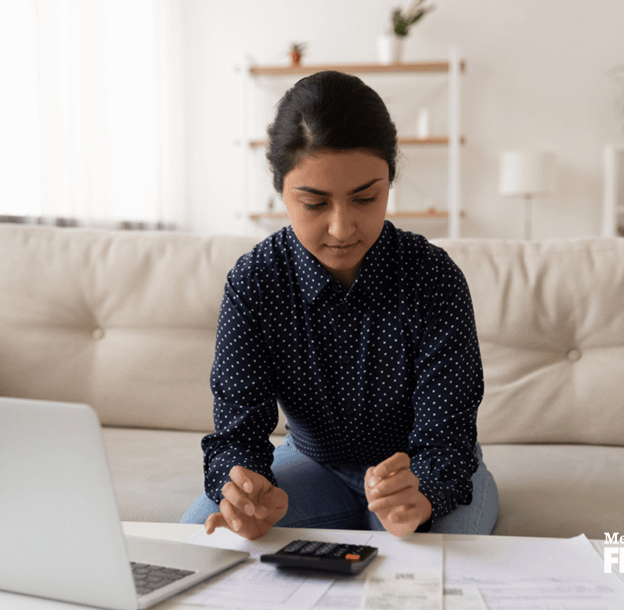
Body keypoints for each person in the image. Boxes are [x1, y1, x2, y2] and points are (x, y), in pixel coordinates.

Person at [181, 70, 498, 540]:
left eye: (366, 197)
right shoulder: (254, 283)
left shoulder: (433, 278)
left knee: (428, 561)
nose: (342, 228)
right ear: (281, 190)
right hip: (313, 464)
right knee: (200, 534)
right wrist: (246, 490)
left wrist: (423, 492)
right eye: (314, 203)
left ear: (390, 180)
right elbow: (237, 435)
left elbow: (447, 440)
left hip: (420, 471)